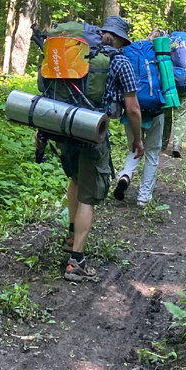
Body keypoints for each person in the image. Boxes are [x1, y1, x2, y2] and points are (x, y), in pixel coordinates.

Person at [59, 15, 138, 282]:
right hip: (94, 133)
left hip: (64, 126)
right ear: (119, 39)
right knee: (89, 197)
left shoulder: (76, 51)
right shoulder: (119, 61)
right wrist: (137, 139)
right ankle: (76, 261)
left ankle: (72, 234)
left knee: (75, 179)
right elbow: (133, 107)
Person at [113, 28, 166, 208]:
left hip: (131, 108)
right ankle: (143, 197)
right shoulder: (161, 55)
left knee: (135, 147)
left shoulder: (130, 50)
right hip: (155, 110)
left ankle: (125, 175)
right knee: (152, 152)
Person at [161, 29, 186, 158]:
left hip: (169, 87)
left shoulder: (168, 45)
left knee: (166, 116)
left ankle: (163, 143)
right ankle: (177, 145)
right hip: (184, 89)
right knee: (180, 116)